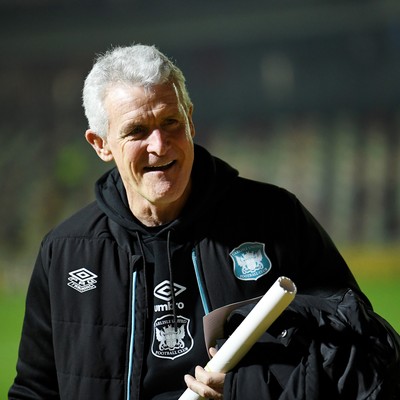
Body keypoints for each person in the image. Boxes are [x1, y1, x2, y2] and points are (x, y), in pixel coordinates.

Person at [9, 44, 400, 400]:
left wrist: (247, 391)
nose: (159, 145)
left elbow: (363, 351)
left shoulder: (276, 219)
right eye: (137, 131)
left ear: (191, 120)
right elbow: (35, 390)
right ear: (101, 144)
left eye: (171, 123)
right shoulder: (65, 252)